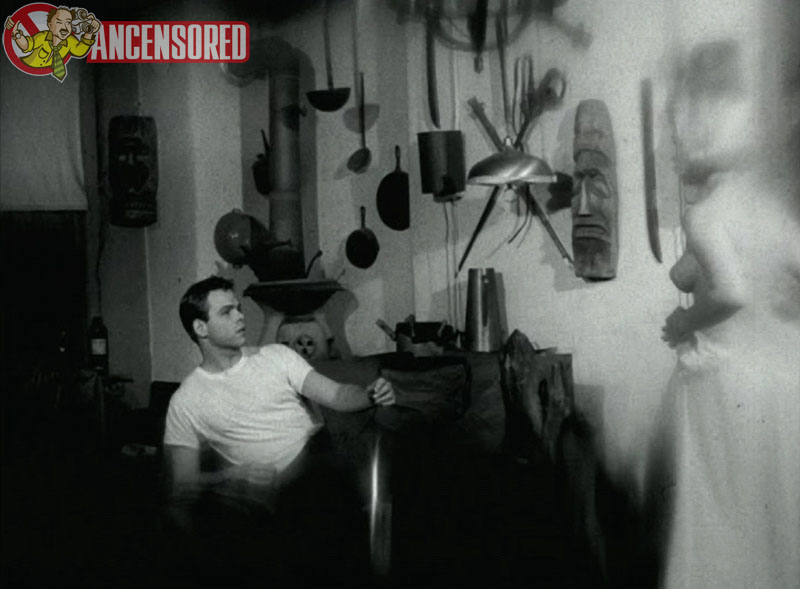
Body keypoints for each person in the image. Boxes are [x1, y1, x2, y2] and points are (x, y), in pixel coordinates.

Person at [657, 38, 800, 589]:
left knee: (720, 532)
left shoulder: (705, 213)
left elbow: (732, 292)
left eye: (675, 137)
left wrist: (684, 323)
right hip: (781, 381)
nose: (672, 150)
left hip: (726, 384)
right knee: (772, 530)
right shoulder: (766, 202)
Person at [160, 275, 396, 586]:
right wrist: (230, 476)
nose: (240, 316)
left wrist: (369, 395)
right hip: (263, 486)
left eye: (239, 308)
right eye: (227, 312)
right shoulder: (185, 401)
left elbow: (338, 394)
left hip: (313, 457)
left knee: (323, 491)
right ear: (200, 328)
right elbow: (182, 485)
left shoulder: (275, 356)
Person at [5, 7, 100, 81]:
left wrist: (90, 31)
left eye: (68, 23)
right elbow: (26, 45)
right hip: (24, 73)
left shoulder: (70, 41)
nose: (64, 27)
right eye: (59, 22)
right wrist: (16, 33)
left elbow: (80, 50)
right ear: (50, 26)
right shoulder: (43, 36)